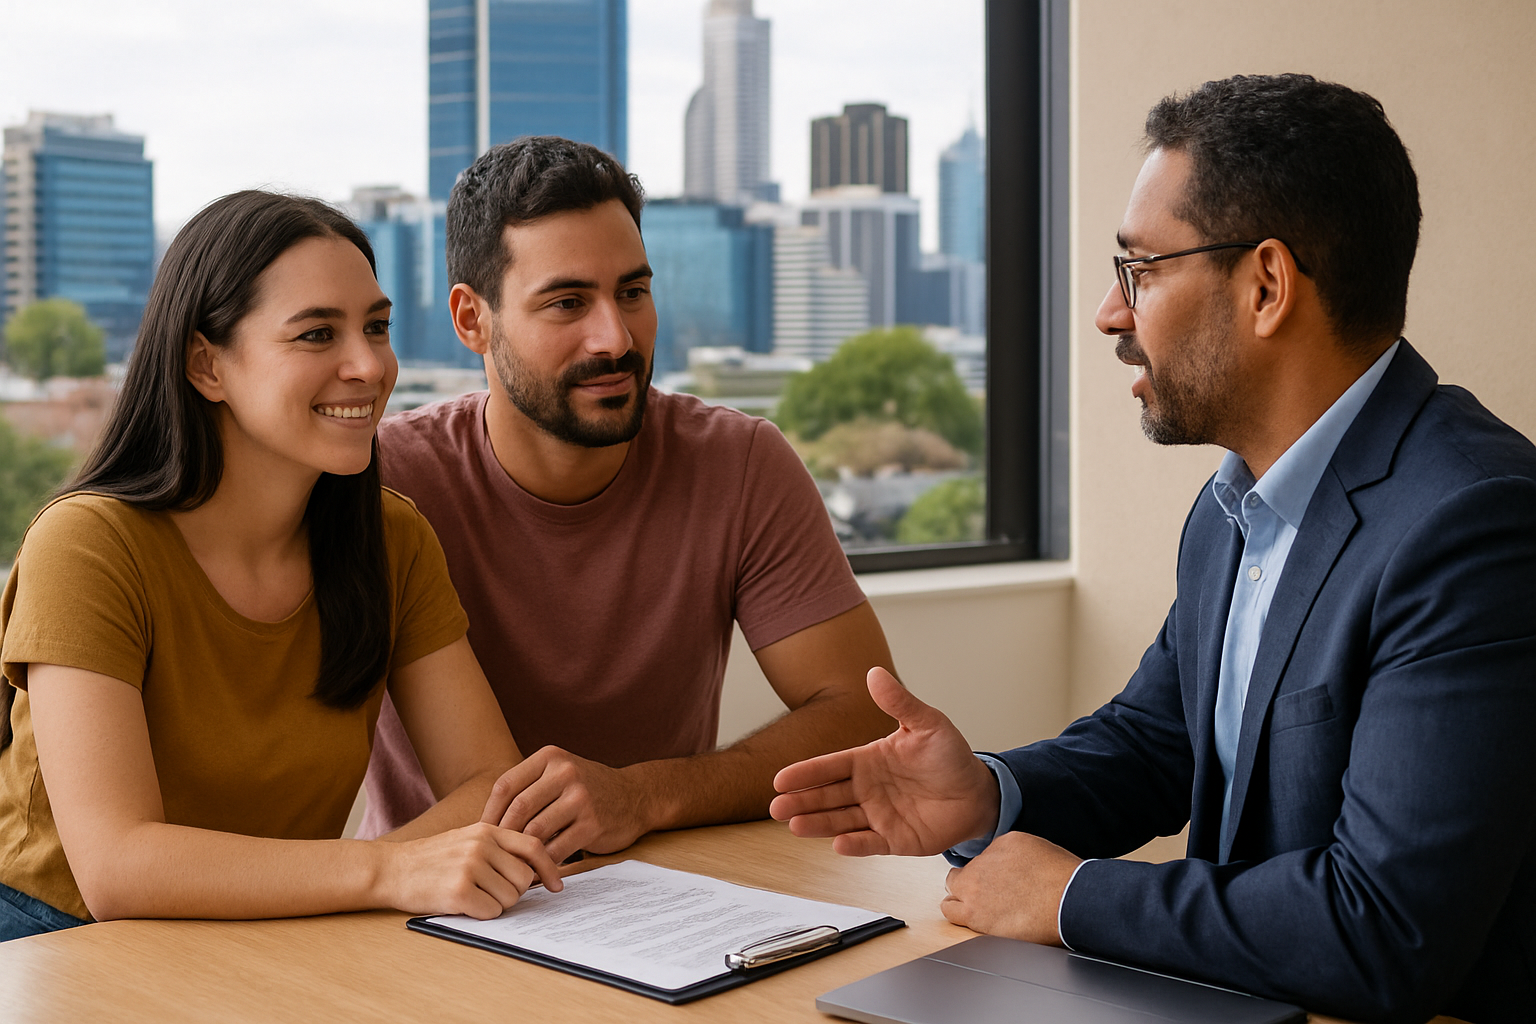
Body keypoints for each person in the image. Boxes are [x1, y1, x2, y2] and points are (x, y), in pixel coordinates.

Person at [770, 74, 1536, 1024]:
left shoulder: (1473, 523)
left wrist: (1068, 899)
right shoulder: (1234, 509)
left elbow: (1383, 927)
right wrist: (987, 796)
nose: (1109, 312)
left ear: (1266, 285)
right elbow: (1153, 742)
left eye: (1139, 269)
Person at [0, 191, 573, 940]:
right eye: (315, 335)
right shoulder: (88, 545)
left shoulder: (390, 537)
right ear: (206, 364)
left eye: (376, 326)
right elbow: (118, 868)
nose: (368, 366)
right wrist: (389, 872)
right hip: (56, 938)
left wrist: (372, 880)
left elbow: (488, 783)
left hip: (282, 926)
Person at [359, 136, 896, 862]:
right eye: (568, 302)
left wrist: (642, 796)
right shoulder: (386, 477)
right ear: (470, 319)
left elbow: (862, 711)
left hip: (662, 895)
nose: (616, 338)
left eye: (632, 293)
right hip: (425, 901)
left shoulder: (737, 463)